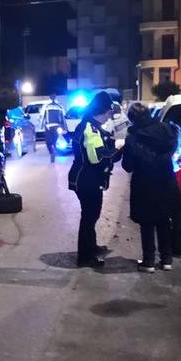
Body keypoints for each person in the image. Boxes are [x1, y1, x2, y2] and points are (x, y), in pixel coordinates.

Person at [122, 102, 180, 273]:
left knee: (147, 223)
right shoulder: (167, 131)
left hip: (144, 184)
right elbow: (173, 150)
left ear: (132, 119)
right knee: (164, 221)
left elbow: (128, 166)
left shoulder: (133, 137)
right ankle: (166, 259)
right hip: (166, 181)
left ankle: (148, 262)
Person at [68, 91, 121, 268]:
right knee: (89, 217)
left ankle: (91, 247)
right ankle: (85, 257)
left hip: (85, 179)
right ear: (102, 111)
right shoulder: (90, 129)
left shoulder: (89, 125)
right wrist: (118, 151)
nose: (108, 118)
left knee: (91, 215)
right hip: (86, 180)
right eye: (108, 114)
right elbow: (97, 157)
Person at [41, 95, 67, 163]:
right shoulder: (58, 106)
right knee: (51, 141)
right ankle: (53, 152)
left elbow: (42, 116)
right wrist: (64, 127)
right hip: (52, 126)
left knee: (50, 141)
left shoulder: (56, 106)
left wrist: (64, 127)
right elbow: (63, 117)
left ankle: (52, 152)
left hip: (51, 126)